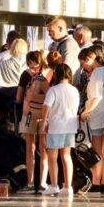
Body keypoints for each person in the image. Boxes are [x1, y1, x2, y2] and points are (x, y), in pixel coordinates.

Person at [78, 46, 104, 194]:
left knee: (96, 152)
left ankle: (96, 182)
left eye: (83, 63)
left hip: (98, 116)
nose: (84, 67)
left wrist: (85, 112)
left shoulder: (97, 73)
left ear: (90, 59)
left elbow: (96, 97)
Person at [40, 63, 80, 198]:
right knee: (66, 156)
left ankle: (54, 184)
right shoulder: (74, 90)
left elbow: (46, 106)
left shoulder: (53, 90)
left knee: (52, 156)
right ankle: (68, 187)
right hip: (70, 126)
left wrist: (44, 121)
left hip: (56, 125)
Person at [16, 50, 51, 192]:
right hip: (45, 114)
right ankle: (43, 182)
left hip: (29, 114)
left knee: (30, 148)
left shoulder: (26, 75)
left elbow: (19, 96)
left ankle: (30, 182)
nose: (30, 66)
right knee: (44, 149)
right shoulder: (50, 74)